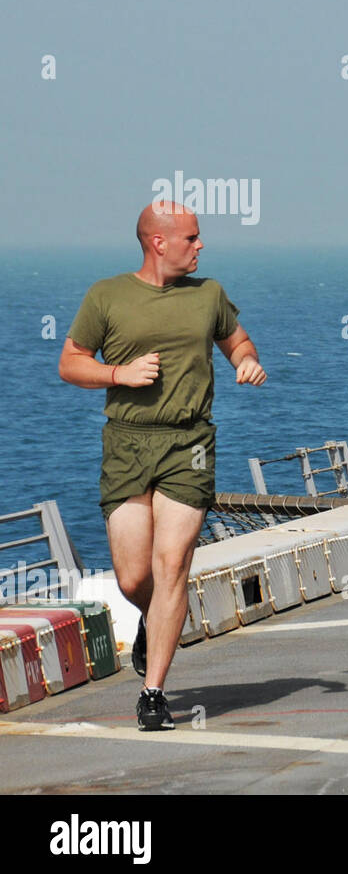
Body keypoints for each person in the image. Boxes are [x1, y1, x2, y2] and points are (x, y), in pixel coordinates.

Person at [59, 201, 267, 731]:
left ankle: (153, 692)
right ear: (158, 242)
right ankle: (151, 618)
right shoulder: (107, 296)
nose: (200, 246)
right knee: (134, 577)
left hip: (190, 444)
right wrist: (118, 375)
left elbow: (237, 341)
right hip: (127, 444)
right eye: (192, 238)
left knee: (172, 565)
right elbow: (70, 363)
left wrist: (245, 360)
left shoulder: (210, 295)